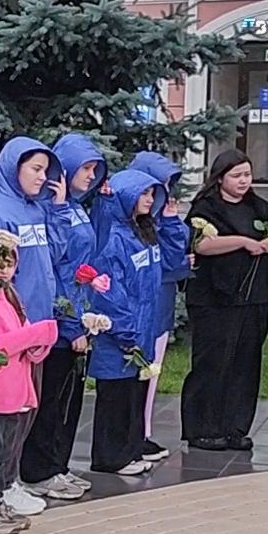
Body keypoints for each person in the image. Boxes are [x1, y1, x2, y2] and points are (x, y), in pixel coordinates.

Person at [181, 150, 268, 451]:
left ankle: (236, 427)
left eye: (247, 174)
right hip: (214, 299)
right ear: (220, 178)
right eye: (237, 175)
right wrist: (244, 242)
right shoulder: (206, 208)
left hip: (254, 298)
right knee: (213, 362)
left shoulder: (258, 207)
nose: (244, 180)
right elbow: (202, 245)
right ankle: (203, 428)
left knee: (246, 363)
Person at [19, 133, 107, 502]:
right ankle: (39, 469)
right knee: (52, 397)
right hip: (60, 322)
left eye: (95, 169)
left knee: (69, 399)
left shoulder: (74, 207)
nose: (91, 176)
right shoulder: (51, 208)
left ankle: (58, 463)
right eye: (86, 168)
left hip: (78, 313)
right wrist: (71, 323)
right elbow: (53, 269)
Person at [0, 137, 63, 519]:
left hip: (37, 326)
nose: (42, 177)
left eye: (45, 170)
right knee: (8, 414)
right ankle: (3, 484)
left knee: (29, 407)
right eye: (35, 169)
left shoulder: (38, 209)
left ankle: (10, 479)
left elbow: (55, 256)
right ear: (13, 168)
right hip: (13, 325)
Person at [0, 249, 59, 534]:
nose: (3, 271)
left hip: (14, 389)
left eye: (9, 264)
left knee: (5, 449)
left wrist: (38, 341)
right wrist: (41, 332)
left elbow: (24, 337)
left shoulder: (11, 296)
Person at [88, 170, 169, 475]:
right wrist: (126, 330)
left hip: (141, 328)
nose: (149, 200)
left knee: (134, 394)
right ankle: (111, 457)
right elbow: (110, 291)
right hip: (121, 333)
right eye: (143, 194)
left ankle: (131, 449)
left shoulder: (142, 233)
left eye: (152, 194)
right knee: (116, 398)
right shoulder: (114, 239)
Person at [127, 152, 194, 461]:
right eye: (158, 187)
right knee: (133, 377)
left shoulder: (159, 222)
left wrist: (170, 222)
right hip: (138, 312)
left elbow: (173, 261)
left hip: (161, 308)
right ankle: (133, 434)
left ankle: (144, 431)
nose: (163, 195)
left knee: (151, 375)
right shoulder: (127, 223)